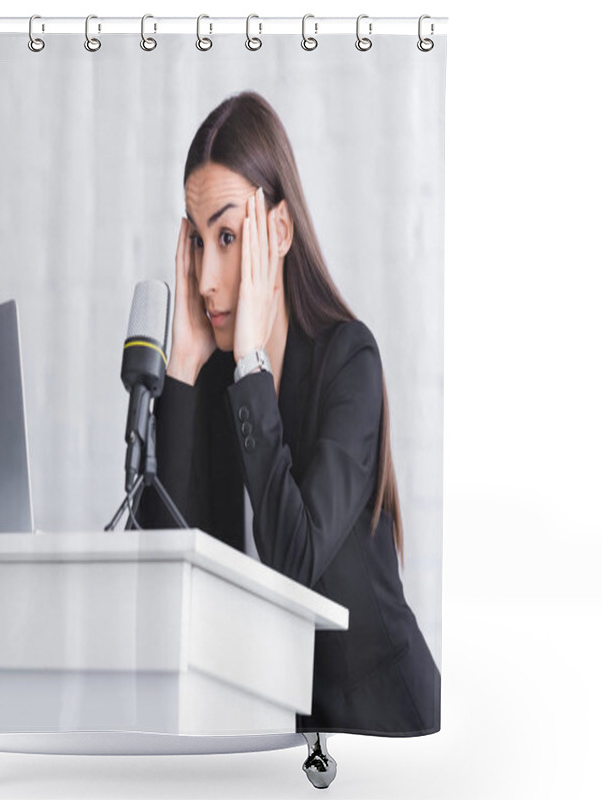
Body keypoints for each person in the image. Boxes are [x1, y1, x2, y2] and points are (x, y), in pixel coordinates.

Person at [139, 91, 440, 736]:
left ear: (277, 232)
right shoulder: (216, 379)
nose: (205, 279)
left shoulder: (349, 362)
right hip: (280, 731)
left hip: (385, 729)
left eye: (227, 237)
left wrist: (251, 364)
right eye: (197, 242)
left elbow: (294, 569)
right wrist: (182, 375)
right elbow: (166, 579)